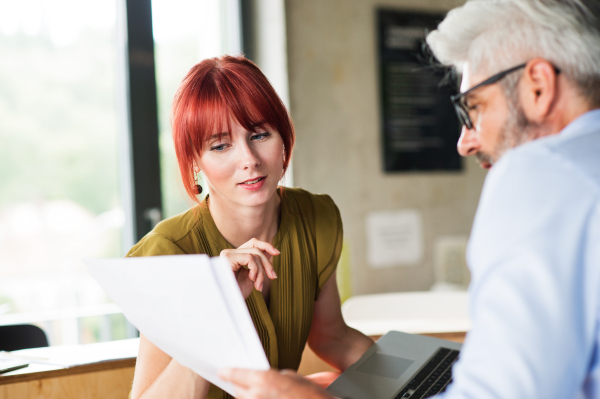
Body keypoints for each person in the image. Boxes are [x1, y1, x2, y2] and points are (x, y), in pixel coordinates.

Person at [219, 0, 600, 398]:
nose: (465, 142)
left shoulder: (538, 174)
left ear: (538, 86)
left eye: (474, 109)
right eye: (221, 145)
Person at [127, 56, 374, 399]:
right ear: (195, 161)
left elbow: (332, 336)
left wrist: (423, 381)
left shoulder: (316, 217)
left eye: (259, 134)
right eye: (220, 145)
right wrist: (218, 309)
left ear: (283, 137)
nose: (249, 159)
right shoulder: (167, 252)